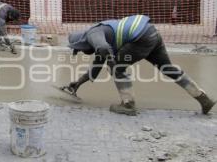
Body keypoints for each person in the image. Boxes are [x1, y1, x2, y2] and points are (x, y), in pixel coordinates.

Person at [64, 15, 216, 116]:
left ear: (81, 44)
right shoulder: (100, 34)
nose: (83, 53)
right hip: (151, 33)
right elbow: (96, 67)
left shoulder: (93, 34)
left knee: (117, 67)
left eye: (81, 51)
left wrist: (113, 63)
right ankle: (204, 99)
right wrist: (78, 83)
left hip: (140, 37)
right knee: (167, 68)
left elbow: (104, 50)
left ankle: (128, 105)